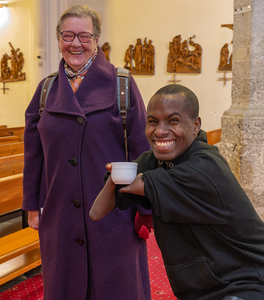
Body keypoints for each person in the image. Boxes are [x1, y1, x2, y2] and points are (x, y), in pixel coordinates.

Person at [90, 84, 264, 300]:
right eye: (153, 121)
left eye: (173, 121)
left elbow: (143, 183)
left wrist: (122, 178)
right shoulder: (154, 161)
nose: (160, 131)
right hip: (200, 286)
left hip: (244, 279)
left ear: (195, 125)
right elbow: (96, 213)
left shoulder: (207, 166)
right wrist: (114, 176)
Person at [22, 4, 151, 300]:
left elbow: (142, 152)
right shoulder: (45, 90)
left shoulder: (122, 85)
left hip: (114, 214)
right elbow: (34, 154)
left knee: (114, 288)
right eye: (68, 35)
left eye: (84, 35)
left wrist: (145, 210)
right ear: (58, 39)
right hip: (60, 216)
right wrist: (32, 205)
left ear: (97, 39)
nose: (75, 43)